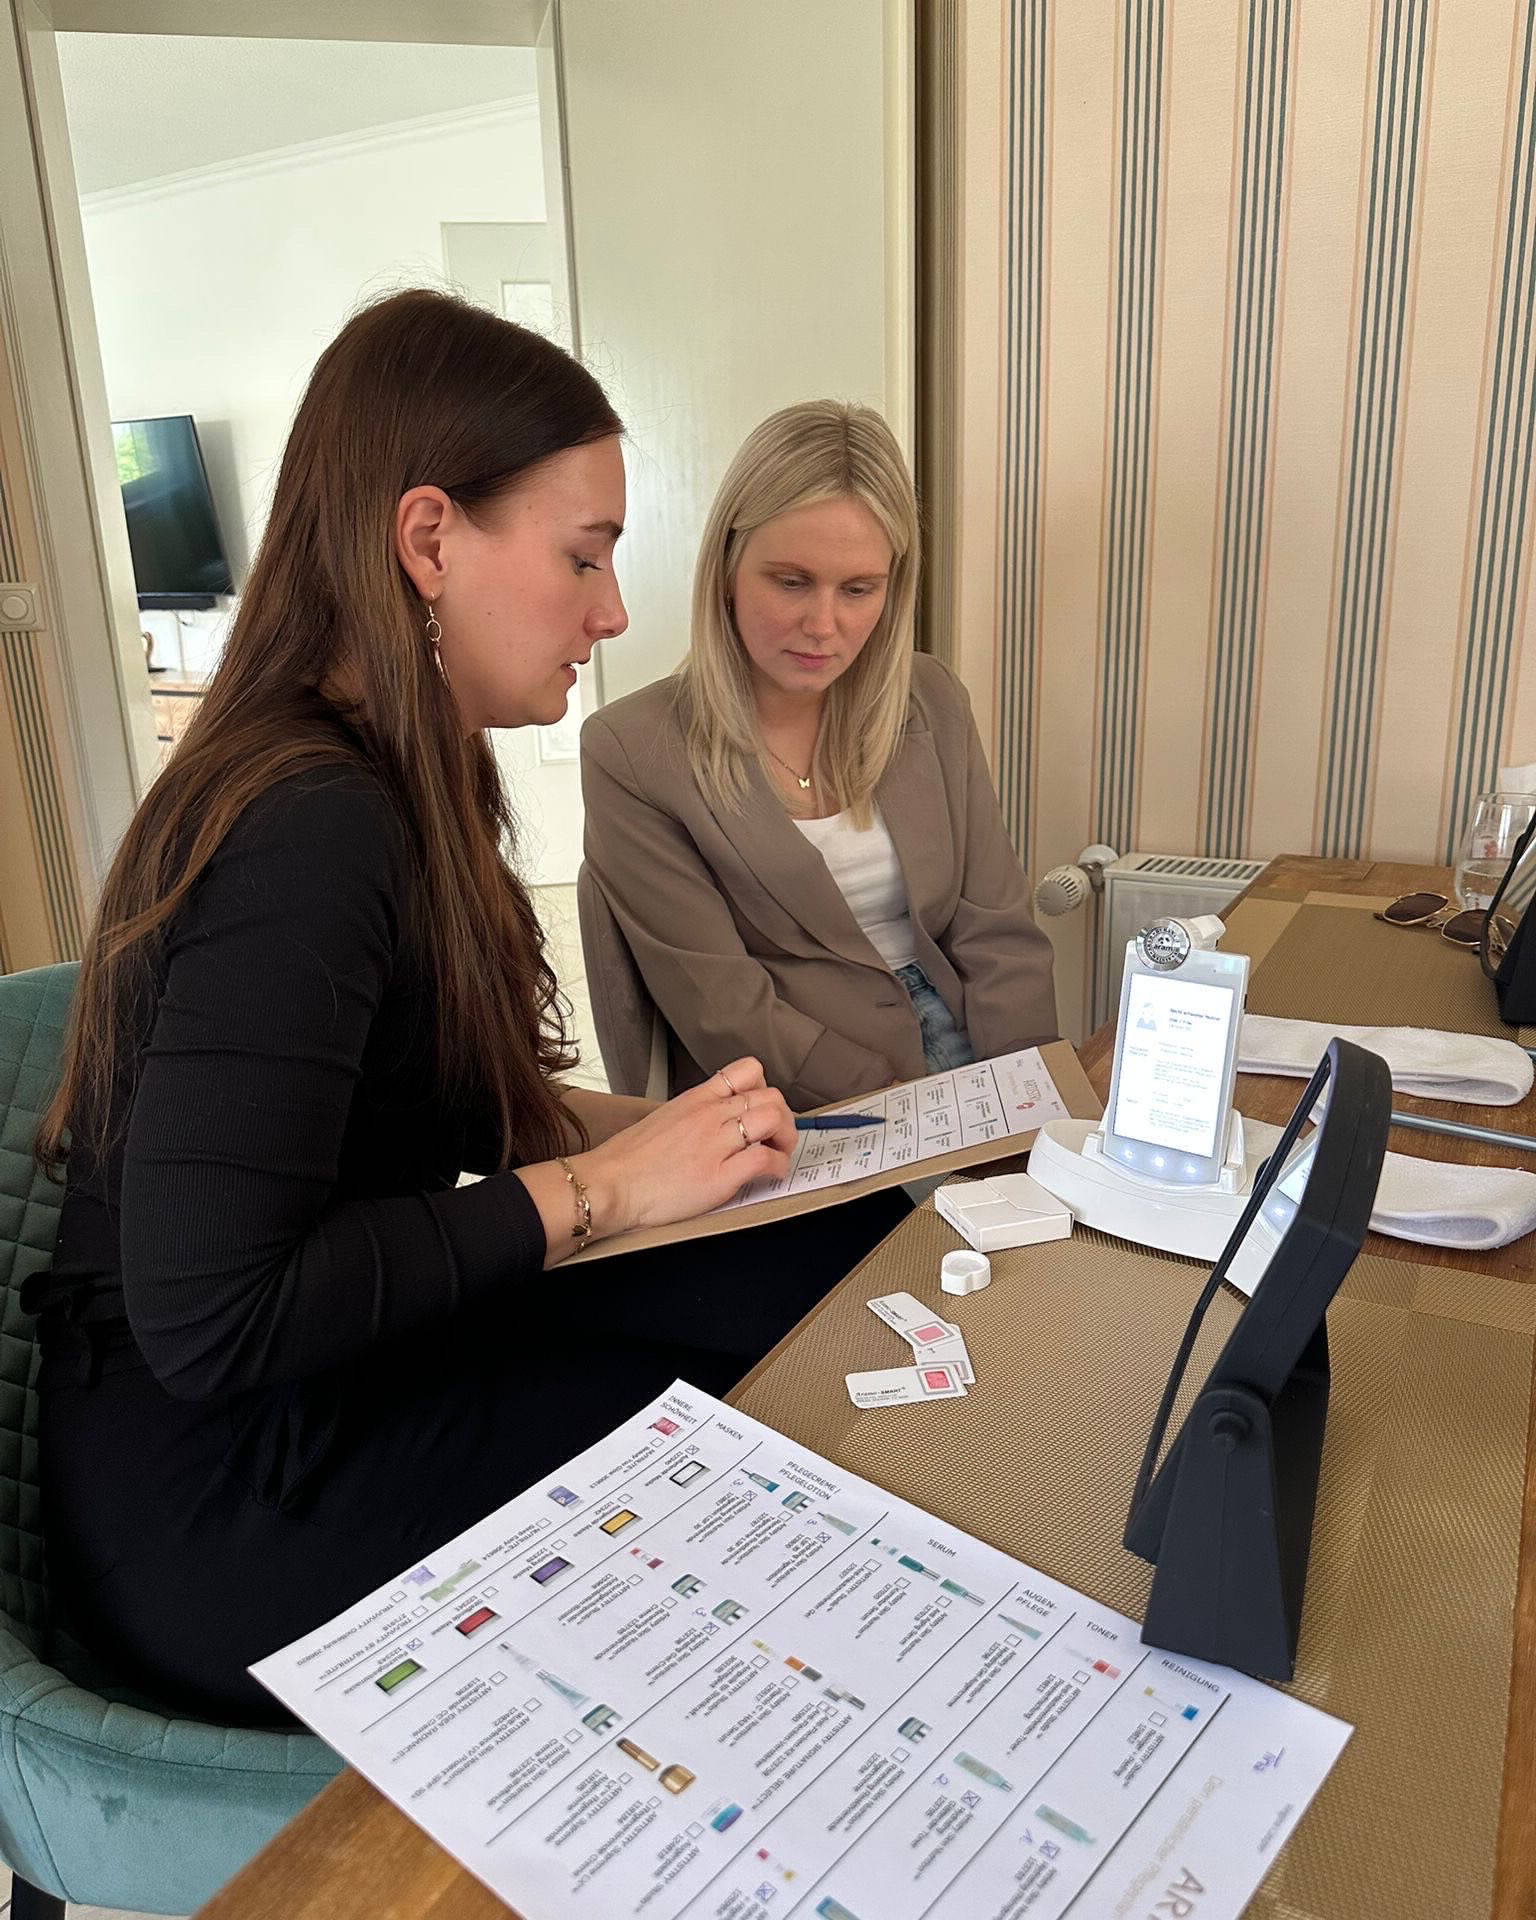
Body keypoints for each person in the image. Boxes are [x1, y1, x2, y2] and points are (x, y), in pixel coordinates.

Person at [25, 293, 907, 1723]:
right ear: (429, 541)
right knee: (743, 1437)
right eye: (583, 556)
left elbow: (437, 1106)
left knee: (837, 1248)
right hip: (228, 1487)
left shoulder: (408, 778)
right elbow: (215, 1316)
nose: (612, 611)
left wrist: (695, 1139)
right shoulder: (306, 825)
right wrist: (608, 1192)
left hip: (345, 1359)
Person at [580, 400, 1058, 1109]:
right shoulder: (632, 750)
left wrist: (1030, 1093)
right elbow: (724, 1008)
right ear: (727, 568)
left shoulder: (932, 700)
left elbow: (999, 934)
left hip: (970, 1055)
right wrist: (905, 1106)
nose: (823, 626)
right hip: (799, 1094)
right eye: (791, 581)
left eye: (858, 590)